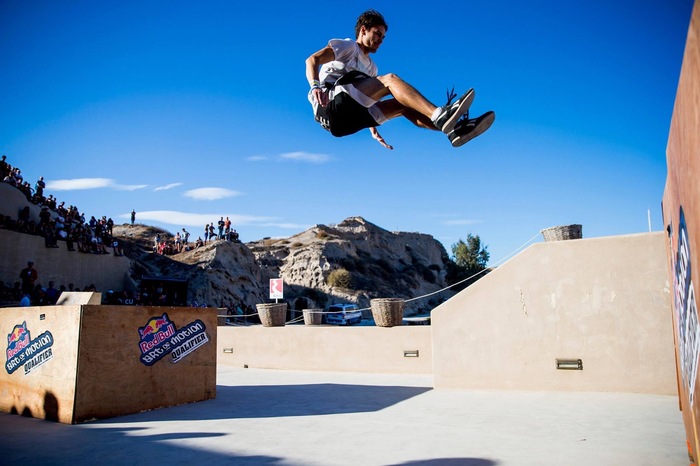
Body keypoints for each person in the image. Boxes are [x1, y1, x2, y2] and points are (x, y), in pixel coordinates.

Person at [305, 10, 494, 149]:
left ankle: (454, 130)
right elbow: (312, 60)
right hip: (329, 106)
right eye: (377, 33)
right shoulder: (349, 47)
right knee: (390, 80)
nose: (381, 40)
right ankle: (439, 114)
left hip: (345, 124)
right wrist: (315, 86)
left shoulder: (372, 68)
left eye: (383, 37)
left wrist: (373, 129)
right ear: (363, 30)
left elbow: (365, 98)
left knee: (402, 106)